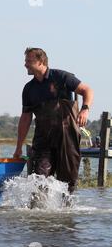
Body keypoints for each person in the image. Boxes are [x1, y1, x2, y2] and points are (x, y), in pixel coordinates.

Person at [13, 47, 94, 193]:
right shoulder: (29, 89)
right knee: (38, 180)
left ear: (41, 61)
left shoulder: (61, 77)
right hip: (43, 138)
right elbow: (25, 118)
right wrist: (18, 147)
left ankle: (65, 213)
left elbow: (87, 90)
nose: (25, 64)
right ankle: (38, 213)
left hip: (67, 136)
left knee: (68, 183)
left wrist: (85, 109)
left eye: (28, 61)